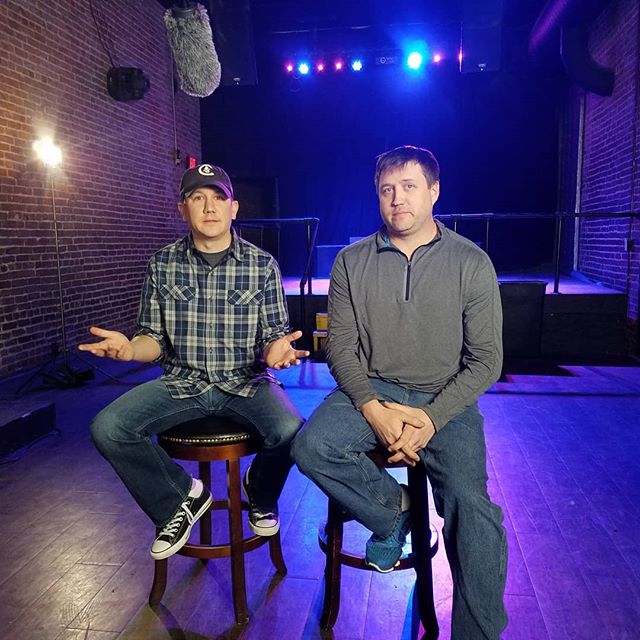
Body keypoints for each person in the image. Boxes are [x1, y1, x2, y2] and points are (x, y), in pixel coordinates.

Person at [292, 146, 507, 638]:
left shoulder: (471, 263)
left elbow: (486, 361)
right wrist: (372, 409)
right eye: (387, 189)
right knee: (310, 446)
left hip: (445, 394)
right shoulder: (351, 261)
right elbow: (341, 349)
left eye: (409, 187)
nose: (397, 199)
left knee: (471, 507)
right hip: (375, 387)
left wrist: (430, 419)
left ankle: (478, 634)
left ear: (434, 191)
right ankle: (396, 513)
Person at [80, 163, 308, 561]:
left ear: (234, 208)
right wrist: (130, 350)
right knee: (108, 428)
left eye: (219, 198)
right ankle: (180, 498)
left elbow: (274, 336)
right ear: (182, 209)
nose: (209, 207)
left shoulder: (261, 265)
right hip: (181, 384)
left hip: (247, 382)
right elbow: (151, 338)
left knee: (291, 429)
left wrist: (277, 352)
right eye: (197, 198)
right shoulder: (161, 263)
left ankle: (260, 491)